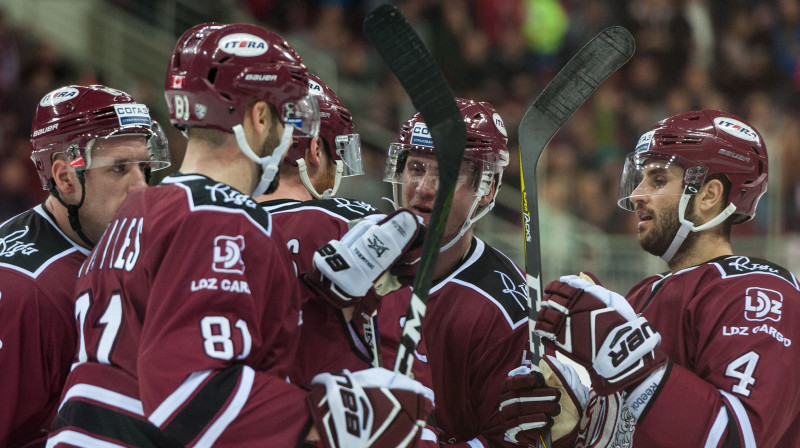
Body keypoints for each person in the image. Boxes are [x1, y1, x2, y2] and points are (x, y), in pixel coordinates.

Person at [46, 23, 433, 448]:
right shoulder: (223, 220)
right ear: (260, 117)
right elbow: (192, 389)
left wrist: (318, 293)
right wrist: (337, 418)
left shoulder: (139, 208)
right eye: (287, 116)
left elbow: (157, 335)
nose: (290, 135)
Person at [503, 109, 800, 446]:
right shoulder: (644, 293)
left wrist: (624, 353)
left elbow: (740, 438)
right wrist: (577, 422)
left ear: (709, 195)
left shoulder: (759, 293)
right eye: (641, 178)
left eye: (658, 180)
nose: (637, 195)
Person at [0, 84, 170, 447]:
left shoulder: (110, 250)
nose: (142, 188)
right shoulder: (28, 295)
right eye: (120, 169)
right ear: (64, 178)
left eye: (143, 167)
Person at [377, 98, 535, 447]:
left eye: (448, 173)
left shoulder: (507, 308)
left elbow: (505, 441)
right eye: (416, 168)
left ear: (487, 189)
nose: (425, 187)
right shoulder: (358, 264)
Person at [257, 73, 388, 385]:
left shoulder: (216, 219)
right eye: (336, 157)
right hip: (328, 416)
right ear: (315, 150)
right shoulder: (348, 222)